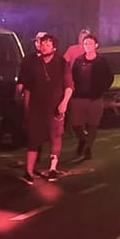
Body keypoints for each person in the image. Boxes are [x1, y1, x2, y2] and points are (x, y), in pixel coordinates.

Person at [18, 33, 73, 183]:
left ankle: (53, 168)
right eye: (42, 44)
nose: (44, 47)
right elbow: (26, 87)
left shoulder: (61, 63)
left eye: (48, 44)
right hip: (36, 108)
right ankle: (28, 172)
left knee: (55, 136)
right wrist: (25, 106)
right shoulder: (33, 63)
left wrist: (64, 103)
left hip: (55, 107)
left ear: (54, 47)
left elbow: (69, 86)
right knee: (33, 139)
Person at [69, 34, 113, 160]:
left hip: (95, 97)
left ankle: (88, 147)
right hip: (79, 97)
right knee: (76, 124)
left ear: (96, 45)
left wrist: (101, 89)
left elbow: (109, 77)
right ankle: (82, 138)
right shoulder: (78, 61)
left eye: (90, 44)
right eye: (85, 44)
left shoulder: (102, 61)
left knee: (93, 124)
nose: (87, 46)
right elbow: (72, 76)